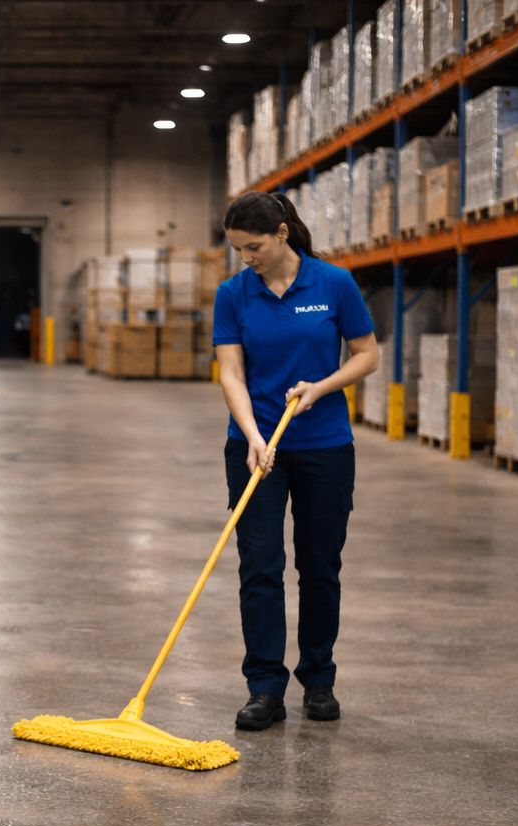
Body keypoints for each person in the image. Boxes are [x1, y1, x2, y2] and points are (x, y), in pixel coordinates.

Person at [211, 191, 380, 731]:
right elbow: (231, 373)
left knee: (319, 564)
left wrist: (320, 388)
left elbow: (367, 354)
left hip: (324, 445)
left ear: (282, 234)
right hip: (256, 447)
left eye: (253, 246)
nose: (247, 258)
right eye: (238, 250)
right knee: (260, 566)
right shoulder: (232, 294)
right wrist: (253, 434)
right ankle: (264, 687)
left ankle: (319, 679)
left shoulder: (333, 283)